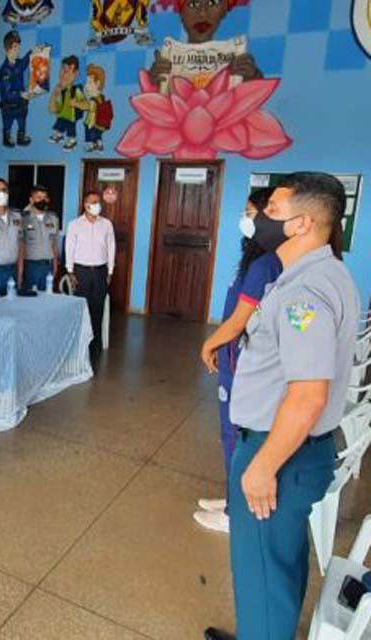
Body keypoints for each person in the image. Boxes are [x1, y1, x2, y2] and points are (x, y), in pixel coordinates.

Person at [205, 173, 359, 640]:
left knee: (263, 571)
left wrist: (262, 466)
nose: (258, 219)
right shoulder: (322, 273)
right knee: (274, 567)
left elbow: (309, 394)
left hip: (278, 451)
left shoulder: (303, 294)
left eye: (271, 211)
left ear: (302, 224)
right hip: (288, 448)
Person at [193, 187, 281, 534]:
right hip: (235, 352)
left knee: (232, 432)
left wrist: (210, 344)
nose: (244, 219)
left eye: (250, 212)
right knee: (232, 432)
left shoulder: (263, 264)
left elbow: (240, 319)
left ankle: (234, 512)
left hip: (238, 354)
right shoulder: (258, 258)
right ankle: (232, 493)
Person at [149, 0, 260, 85]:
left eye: (212, 2)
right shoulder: (168, 56)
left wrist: (252, 78)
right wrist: (152, 84)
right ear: (180, 12)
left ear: (224, 9)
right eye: (193, 4)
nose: (202, 13)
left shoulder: (237, 54)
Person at [66, 191, 115, 359]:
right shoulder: (75, 224)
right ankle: (81, 344)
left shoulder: (107, 224)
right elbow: (69, 248)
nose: (96, 205)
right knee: (82, 308)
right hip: (81, 271)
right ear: (85, 205)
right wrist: (70, 271)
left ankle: (96, 344)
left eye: (98, 202)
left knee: (98, 308)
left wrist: (110, 271)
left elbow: (111, 247)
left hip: (100, 271)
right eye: (92, 202)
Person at [22, 185, 60, 292]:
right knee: (29, 300)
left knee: (47, 300)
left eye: (44, 197)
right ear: (31, 200)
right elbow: (20, 245)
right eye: (38, 197)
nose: (42, 200)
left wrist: (55, 266)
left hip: (48, 266)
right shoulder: (23, 218)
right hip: (30, 266)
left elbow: (54, 243)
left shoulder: (54, 218)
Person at [0, 30, 32, 148]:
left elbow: (24, 63)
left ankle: (21, 137)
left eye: (18, 47)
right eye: (15, 47)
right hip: (9, 106)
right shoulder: (5, 71)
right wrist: (20, 94)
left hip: (21, 105)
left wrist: (32, 52)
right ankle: (7, 138)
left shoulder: (18, 63)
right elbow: (6, 94)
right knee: (8, 123)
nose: (18, 50)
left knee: (22, 121)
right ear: (7, 49)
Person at [49, 55, 84, 151]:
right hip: (63, 113)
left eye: (67, 71)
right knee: (60, 122)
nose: (63, 75)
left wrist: (76, 104)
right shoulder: (62, 91)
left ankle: (72, 140)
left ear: (75, 73)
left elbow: (85, 104)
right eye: (62, 71)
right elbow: (52, 109)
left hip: (72, 115)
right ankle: (59, 135)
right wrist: (55, 94)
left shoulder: (77, 89)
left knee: (70, 127)